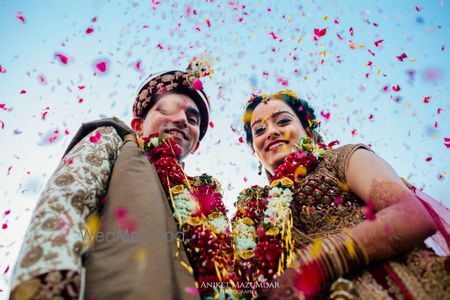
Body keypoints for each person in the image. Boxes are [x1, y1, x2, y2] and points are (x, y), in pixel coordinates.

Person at [9, 56, 236, 299]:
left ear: (196, 144)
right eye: (166, 110)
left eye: (192, 120)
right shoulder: (113, 139)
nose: (181, 120)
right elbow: (64, 202)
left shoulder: (203, 196)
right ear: (138, 125)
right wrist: (49, 288)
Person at [232, 89, 449, 299]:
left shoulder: (339, 160)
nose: (271, 132)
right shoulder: (254, 210)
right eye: (259, 130)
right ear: (255, 151)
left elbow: (411, 215)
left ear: (308, 131)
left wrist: (318, 262)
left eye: (283, 121)